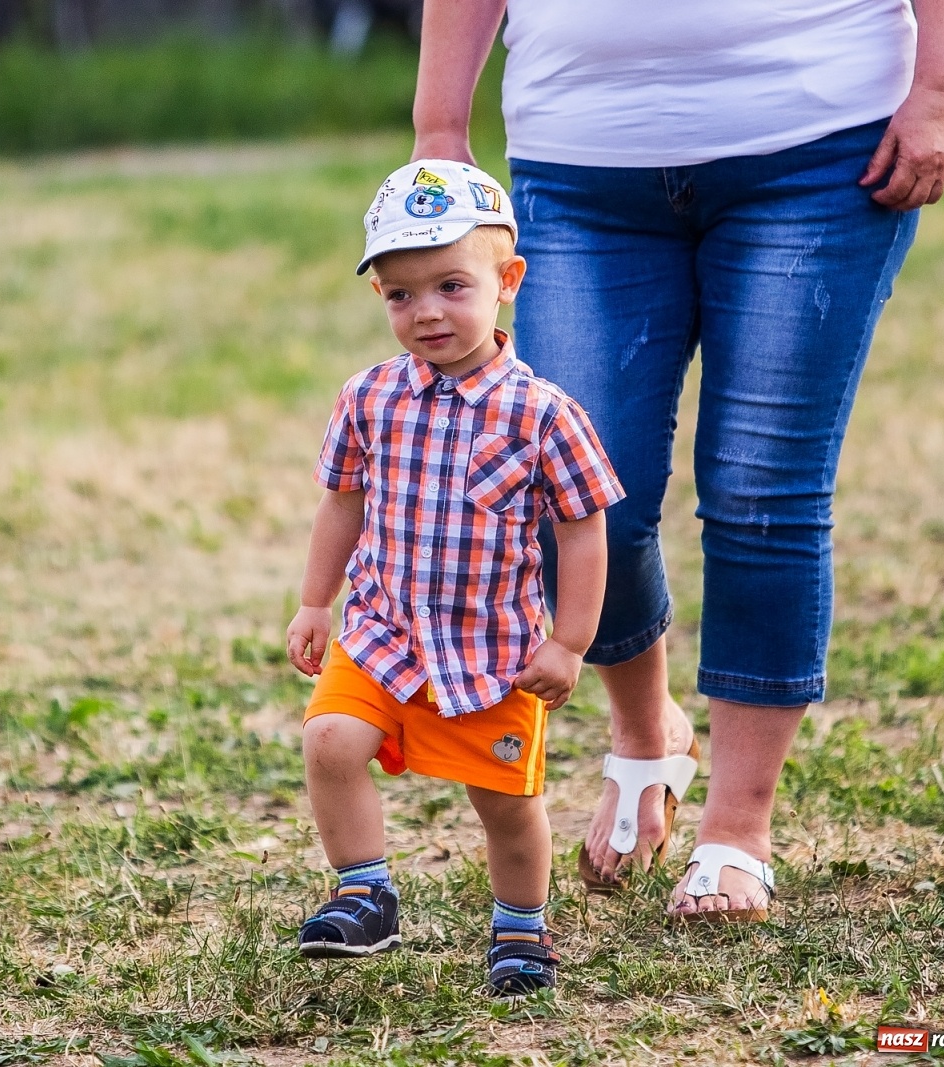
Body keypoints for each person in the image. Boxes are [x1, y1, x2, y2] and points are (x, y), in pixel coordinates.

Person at [409, 0, 944, 920]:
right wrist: (439, 122)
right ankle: (646, 733)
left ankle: (736, 832)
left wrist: (943, 85)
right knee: (577, 491)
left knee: (763, 488)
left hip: (820, 146)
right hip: (580, 161)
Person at [285, 159, 624, 995]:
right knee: (329, 740)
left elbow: (583, 527)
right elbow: (343, 503)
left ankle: (520, 930)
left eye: (450, 285)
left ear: (507, 281)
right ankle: (364, 891)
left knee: (503, 804)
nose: (426, 312)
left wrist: (570, 639)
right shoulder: (368, 398)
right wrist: (314, 600)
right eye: (401, 295)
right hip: (380, 628)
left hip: (491, 648)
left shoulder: (543, 411)